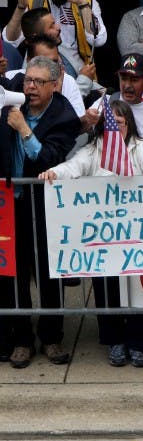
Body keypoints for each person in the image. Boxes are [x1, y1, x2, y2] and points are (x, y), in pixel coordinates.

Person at [39, 100, 143, 367]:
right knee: (106, 289)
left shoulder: (141, 148)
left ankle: (137, 342)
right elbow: (73, 167)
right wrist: (54, 172)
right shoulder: (93, 150)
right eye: (111, 125)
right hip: (102, 243)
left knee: (137, 290)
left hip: (136, 240)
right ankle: (114, 340)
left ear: (129, 125)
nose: (116, 130)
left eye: (121, 124)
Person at [0, 56, 80, 368]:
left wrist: (24, 130)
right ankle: (21, 339)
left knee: (49, 271)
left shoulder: (63, 115)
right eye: (27, 80)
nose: (30, 87)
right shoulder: (10, 101)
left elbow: (48, 157)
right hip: (11, 201)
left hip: (45, 204)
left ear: (54, 85)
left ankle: (51, 337)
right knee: (14, 271)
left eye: (38, 82)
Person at [3, 0, 108, 77]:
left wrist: (82, 5)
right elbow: (10, 41)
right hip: (41, 73)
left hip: (81, 74)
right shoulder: (32, 1)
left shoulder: (88, 3)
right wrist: (21, 7)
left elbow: (99, 40)